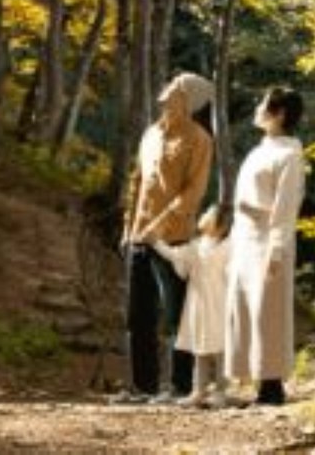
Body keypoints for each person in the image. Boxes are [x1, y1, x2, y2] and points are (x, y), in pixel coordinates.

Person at [118, 72, 215, 403]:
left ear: (190, 100)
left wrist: (158, 226)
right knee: (137, 315)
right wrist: (127, 228)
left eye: (174, 88)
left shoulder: (199, 138)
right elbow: (137, 182)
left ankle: (179, 386)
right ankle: (142, 388)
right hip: (138, 238)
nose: (166, 90)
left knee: (176, 316)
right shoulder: (151, 134)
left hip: (174, 240)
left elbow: (193, 192)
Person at [225, 86, 306, 406]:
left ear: (280, 114)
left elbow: (286, 207)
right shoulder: (259, 150)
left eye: (264, 104)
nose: (257, 107)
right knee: (245, 308)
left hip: (267, 239)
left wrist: (277, 248)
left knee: (268, 311)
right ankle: (253, 379)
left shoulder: (289, 154)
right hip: (244, 238)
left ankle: (272, 385)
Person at [153, 206, 232, 407]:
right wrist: (155, 241)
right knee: (200, 348)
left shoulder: (228, 246)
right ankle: (199, 390)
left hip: (219, 301)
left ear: (220, 227)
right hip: (197, 303)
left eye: (209, 214)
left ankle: (221, 391)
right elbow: (174, 255)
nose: (203, 215)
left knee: (220, 347)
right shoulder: (195, 246)